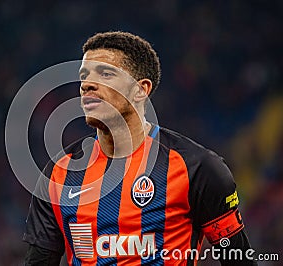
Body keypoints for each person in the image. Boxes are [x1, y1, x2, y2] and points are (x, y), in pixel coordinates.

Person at [23, 31, 256, 265]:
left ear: (141, 89)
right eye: (84, 75)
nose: (87, 84)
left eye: (105, 73)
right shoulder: (58, 173)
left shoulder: (198, 168)